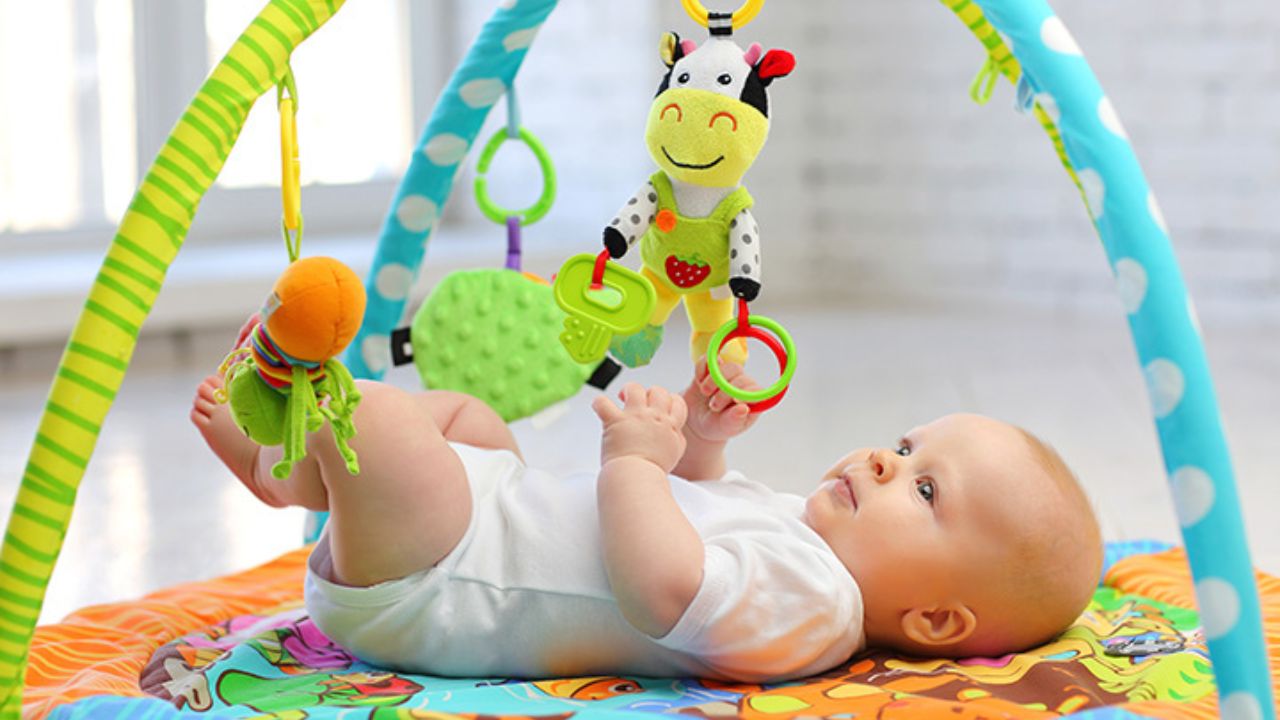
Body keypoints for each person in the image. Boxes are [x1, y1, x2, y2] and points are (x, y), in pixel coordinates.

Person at [191, 327, 1102, 683]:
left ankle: (293, 469)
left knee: (385, 424)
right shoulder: (802, 536)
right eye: (905, 446)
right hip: (488, 516)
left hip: (446, 581)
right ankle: (306, 479)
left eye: (924, 487)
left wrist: (633, 459)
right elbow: (699, 508)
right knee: (469, 418)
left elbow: (663, 587)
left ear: (938, 619)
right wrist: (702, 443)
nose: (882, 459)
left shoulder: (815, 611)